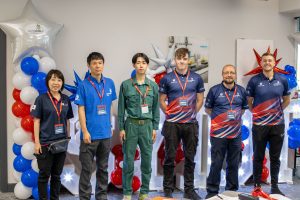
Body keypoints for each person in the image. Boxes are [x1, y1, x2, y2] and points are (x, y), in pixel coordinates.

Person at [159, 47, 205, 200]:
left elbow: (200, 100)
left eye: (184, 58)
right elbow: (161, 100)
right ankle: (168, 189)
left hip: (190, 124)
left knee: (190, 157)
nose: (181, 61)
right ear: (175, 60)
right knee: (169, 157)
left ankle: (189, 189)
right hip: (172, 124)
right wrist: (170, 113)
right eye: (179, 59)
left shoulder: (197, 78)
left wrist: (192, 113)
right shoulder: (167, 78)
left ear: (188, 60)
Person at [246, 52, 290, 197]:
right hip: (259, 125)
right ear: (261, 63)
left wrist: (275, 112)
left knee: (275, 157)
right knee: (258, 156)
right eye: (265, 61)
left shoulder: (282, 80)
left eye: (270, 60)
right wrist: (260, 114)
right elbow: (249, 102)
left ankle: (275, 186)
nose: (267, 63)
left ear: (274, 63)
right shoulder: (253, 81)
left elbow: (286, 100)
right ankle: (257, 186)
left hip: (277, 125)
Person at [75, 52, 117, 200]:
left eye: (100, 63)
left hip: (105, 134)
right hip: (89, 135)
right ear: (88, 66)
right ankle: (85, 197)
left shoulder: (110, 83)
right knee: (86, 170)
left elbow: (110, 105)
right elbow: (81, 109)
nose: (97, 65)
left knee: (103, 169)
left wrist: (111, 125)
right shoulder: (83, 85)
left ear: (103, 65)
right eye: (94, 63)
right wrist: (84, 131)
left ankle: (101, 197)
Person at [118, 53, 160, 200]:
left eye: (143, 62)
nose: (141, 65)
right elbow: (121, 109)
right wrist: (121, 128)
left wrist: (155, 128)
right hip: (131, 125)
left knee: (147, 161)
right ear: (134, 65)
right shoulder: (126, 85)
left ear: (147, 65)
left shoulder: (153, 86)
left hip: (147, 127)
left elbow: (156, 109)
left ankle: (144, 192)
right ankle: (127, 193)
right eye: (138, 62)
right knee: (128, 160)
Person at [204, 64, 248, 199]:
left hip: (235, 135)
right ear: (222, 75)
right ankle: (212, 191)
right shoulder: (214, 90)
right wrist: (221, 121)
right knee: (216, 163)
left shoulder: (241, 91)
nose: (229, 75)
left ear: (235, 75)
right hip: (218, 134)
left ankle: (232, 191)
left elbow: (243, 109)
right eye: (226, 72)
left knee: (234, 164)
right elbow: (208, 109)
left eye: (232, 72)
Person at [31, 69, 74, 200]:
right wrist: (37, 143)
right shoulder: (41, 99)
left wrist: (68, 138)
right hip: (45, 143)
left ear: (62, 83)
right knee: (44, 175)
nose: (56, 82)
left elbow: (67, 120)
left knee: (57, 175)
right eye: (53, 79)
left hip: (61, 143)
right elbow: (36, 121)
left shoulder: (66, 99)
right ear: (48, 82)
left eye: (59, 80)